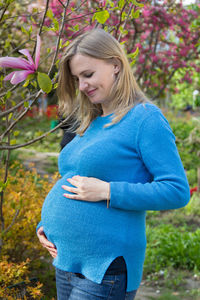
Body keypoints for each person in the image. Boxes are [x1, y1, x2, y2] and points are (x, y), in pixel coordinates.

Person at [36, 29, 190, 300]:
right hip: (66, 259)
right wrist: (45, 225)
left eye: (88, 74)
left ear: (115, 65)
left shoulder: (145, 119)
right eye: (77, 78)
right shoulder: (91, 121)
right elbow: (71, 178)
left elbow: (176, 190)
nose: (82, 85)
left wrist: (108, 191)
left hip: (105, 267)